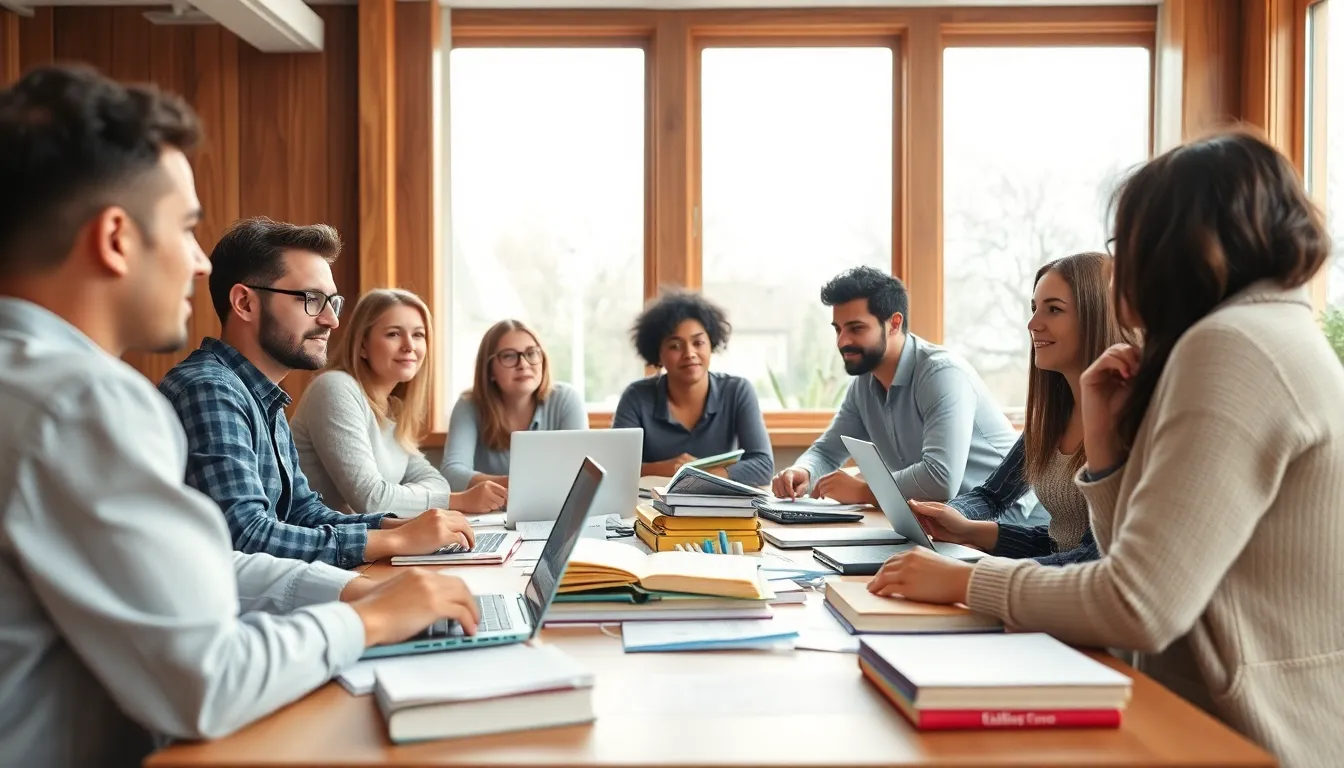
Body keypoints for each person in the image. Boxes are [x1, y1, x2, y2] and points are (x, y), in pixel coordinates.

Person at [0, 65, 480, 768]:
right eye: (187, 229)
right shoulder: (79, 400)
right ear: (115, 238)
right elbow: (207, 682)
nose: (200, 264)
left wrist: (356, 587)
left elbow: (212, 564)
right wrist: (367, 617)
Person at [868, 130, 1344, 767]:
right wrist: (1110, 443)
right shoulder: (1267, 331)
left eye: (1125, 244)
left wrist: (967, 580)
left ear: (1179, 245)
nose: (1119, 267)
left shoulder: (1234, 348)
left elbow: (1137, 603)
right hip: (1209, 713)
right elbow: (1129, 558)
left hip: (1241, 734)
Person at [159, 217, 474, 568]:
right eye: (311, 299)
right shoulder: (210, 389)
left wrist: (399, 526)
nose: (331, 320)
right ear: (245, 304)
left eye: (332, 302)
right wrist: (395, 540)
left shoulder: (264, 398)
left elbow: (302, 511)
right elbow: (244, 536)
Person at [902, 252, 1127, 565]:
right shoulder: (1051, 419)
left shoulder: (1126, 424)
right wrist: (960, 523)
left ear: (1096, 315)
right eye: (1034, 309)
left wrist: (969, 577)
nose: (1033, 323)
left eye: (1054, 310)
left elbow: (1091, 558)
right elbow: (1044, 533)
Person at [771, 267, 1023, 519]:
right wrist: (803, 471)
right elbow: (827, 452)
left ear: (894, 324)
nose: (842, 341)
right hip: (942, 523)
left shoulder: (941, 374)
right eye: (838, 329)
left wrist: (864, 490)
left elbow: (940, 478)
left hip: (1008, 520)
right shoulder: (864, 384)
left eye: (856, 329)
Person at [291, 289, 504, 516]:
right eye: (393, 334)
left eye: (419, 335)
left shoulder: (392, 408)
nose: (409, 346)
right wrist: (456, 501)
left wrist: (400, 497)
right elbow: (373, 500)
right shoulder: (334, 388)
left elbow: (437, 483)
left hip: (364, 540)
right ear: (362, 345)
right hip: (317, 544)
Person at [612, 289, 773, 485]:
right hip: (652, 509)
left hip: (721, 509)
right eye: (675, 346)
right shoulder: (636, 396)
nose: (690, 353)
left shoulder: (737, 391)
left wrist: (700, 474)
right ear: (658, 353)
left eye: (698, 342)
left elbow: (763, 465)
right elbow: (617, 467)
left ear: (711, 344)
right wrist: (666, 468)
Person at [440, 319, 586, 493]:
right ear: (490, 370)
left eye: (531, 353)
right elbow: (452, 473)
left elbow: (580, 473)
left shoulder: (566, 399)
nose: (523, 364)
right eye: (509, 356)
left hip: (552, 513)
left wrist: (511, 485)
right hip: (488, 515)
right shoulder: (469, 405)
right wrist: (515, 484)